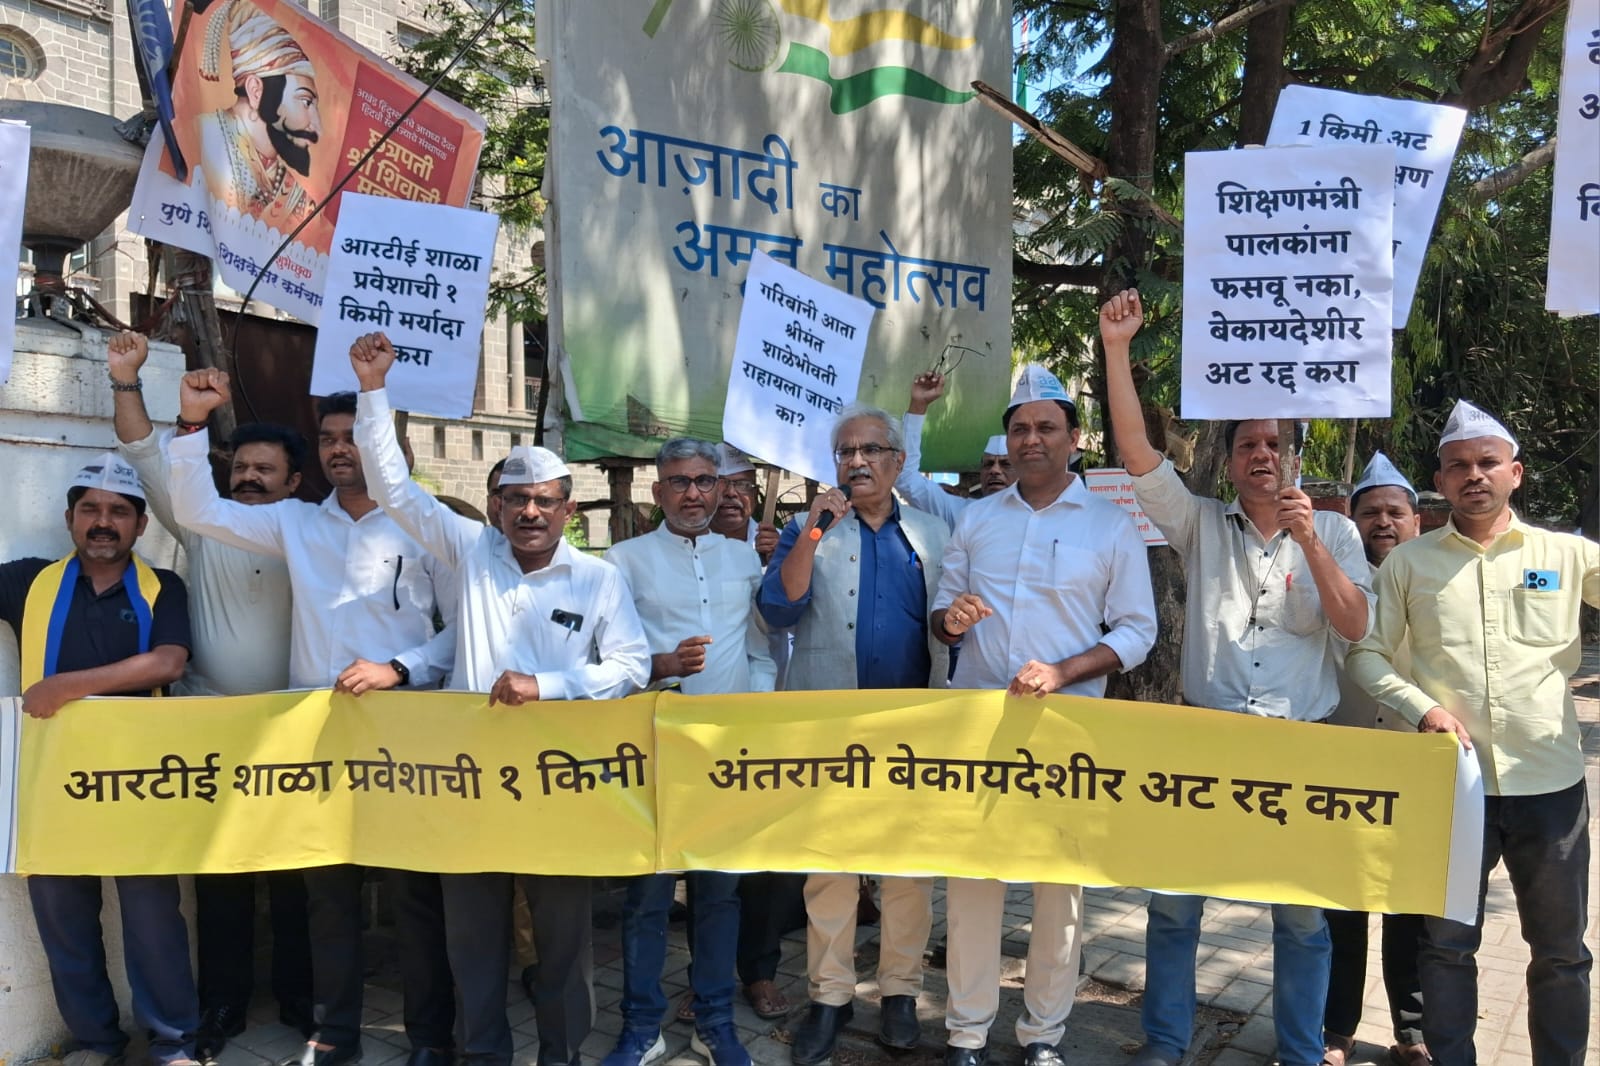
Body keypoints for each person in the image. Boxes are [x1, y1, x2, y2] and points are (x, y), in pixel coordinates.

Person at [348, 331, 651, 1066]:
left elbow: (633, 666)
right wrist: (371, 388)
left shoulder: (598, 579)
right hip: (471, 788)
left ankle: (561, 1056)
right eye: (515, 500)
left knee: (562, 948)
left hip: (559, 788)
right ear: (493, 505)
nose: (530, 514)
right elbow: (392, 488)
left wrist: (547, 686)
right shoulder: (468, 551)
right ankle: (483, 1055)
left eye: (545, 501)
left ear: (568, 508)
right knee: (473, 944)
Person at [1100, 289, 1373, 1066]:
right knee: (1176, 909)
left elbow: (1352, 625)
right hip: (1206, 748)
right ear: (1227, 459)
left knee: (1301, 920)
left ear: (1293, 458)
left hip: (1297, 753)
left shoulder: (1340, 532)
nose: (1261, 453)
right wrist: (1117, 348)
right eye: (1247, 442)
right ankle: (1163, 1046)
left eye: (1275, 443)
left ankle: (1297, 1051)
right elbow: (1137, 459)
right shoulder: (1197, 524)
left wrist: (1310, 540)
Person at [163, 369, 457, 1066]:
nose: (338, 449)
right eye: (327, 438)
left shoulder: (425, 526)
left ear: (385, 441)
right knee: (328, 896)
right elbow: (202, 512)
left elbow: (463, 626)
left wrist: (401, 668)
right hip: (318, 740)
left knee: (414, 897)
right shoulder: (297, 522)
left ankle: (429, 1038)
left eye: (353, 436)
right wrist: (189, 424)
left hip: (401, 737)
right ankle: (335, 1033)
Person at [1348, 401, 1598, 1066]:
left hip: (1552, 787)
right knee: (1448, 947)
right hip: (1454, 786)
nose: (1474, 475)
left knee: (1562, 953)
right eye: (1459, 465)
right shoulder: (1411, 564)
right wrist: (1421, 708)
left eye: (1488, 462)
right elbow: (1367, 654)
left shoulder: (1565, 555)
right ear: (1442, 478)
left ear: (1515, 473)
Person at [933, 366, 1158, 1066]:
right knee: (974, 884)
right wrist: (953, 620)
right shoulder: (976, 518)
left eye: (1046, 427)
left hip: (1067, 736)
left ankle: (1044, 1037)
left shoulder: (1110, 525)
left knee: (1060, 893)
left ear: (1074, 438)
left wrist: (1063, 672)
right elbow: (943, 614)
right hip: (982, 728)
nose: (1031, 439)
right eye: (1020, 427)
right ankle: (966, 1033)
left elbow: (1136, 630)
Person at [105, 330, 315, 1060]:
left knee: (298, 876)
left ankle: (303, 999)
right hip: (209, 732)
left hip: (296, 735)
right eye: (243, 468)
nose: (250, 478)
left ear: (295, 484)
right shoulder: (203, 522)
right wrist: (128, 379)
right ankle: (221, 1004)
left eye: (267, 470)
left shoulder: (314, 536)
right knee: (221, 878)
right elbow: (143, 455)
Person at [759, 405, 951, 1066]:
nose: (857, 461)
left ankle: (900, 994)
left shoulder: (932, 531)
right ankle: (831, 998)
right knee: (831, 872)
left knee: (907, 872)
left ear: (898, 462)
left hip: (914, 732)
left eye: (871, 449)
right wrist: (813, 530)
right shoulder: (807, 527)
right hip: (830, 731)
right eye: (845, 451)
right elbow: (779, 609)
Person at [0, 455, 198, 1066]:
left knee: (152, 920)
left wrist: (65, 686)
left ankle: (174, 1044)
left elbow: (169, 662)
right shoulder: (28, 582)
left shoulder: (163, 587)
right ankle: (95, 1043)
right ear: (70, 519)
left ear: (141, 526)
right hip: (52, 783)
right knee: (63, 920)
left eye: (118, 511)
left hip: (139, 783)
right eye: (90, 509)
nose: (103, 522)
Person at [603, 438, 777, 1066]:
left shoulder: (744, 560)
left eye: (706, 481)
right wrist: (660, 666)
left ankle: (714, 1021)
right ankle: (641, 1027)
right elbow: (607, 660)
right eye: (679, 482)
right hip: (649, 748)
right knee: (648, 897)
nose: (695, 493)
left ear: (723, 488)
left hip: (725, 753)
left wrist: (745, 712)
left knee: (720, 894)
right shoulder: (623, 561)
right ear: (657, 492)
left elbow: (761, 649)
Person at [1322, 452, 1428, 1066]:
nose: (1382, 522)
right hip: (1347, 762)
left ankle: (1413, 1034)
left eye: (1394, 511)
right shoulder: (1332, 577)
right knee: (1343, 905)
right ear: (1351, 519)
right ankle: (1336, 1030)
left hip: (1419, 765)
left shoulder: (1435, 579)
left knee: (1411, 904)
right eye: (1370, 512)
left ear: (1417, 519)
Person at [705, 442, 804, 1022]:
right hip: (708, 731)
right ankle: (707, 977)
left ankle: (760, 973)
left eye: (745, 483)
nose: (733, 493)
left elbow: (778, 629)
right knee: (714, 867)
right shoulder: (669, 556)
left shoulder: (777, 551)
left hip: (779, 725)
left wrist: (778, 560)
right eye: (723, 482)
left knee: (772, 860)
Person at [197, 0, 321, 229]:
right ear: (256, 91)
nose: (317, 126)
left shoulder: (295, 195)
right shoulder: (199, 141)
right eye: (305, 102)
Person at [897, 370, 1015, 529]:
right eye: (988, 464)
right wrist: (918, 405)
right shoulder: (962, 512)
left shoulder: (1041, 516)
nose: (994, 470)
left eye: (1005, 464)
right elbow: (906, 477)